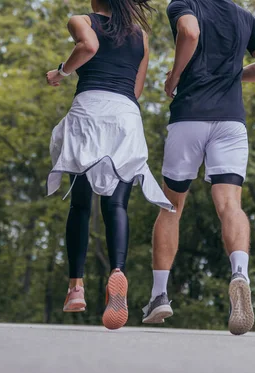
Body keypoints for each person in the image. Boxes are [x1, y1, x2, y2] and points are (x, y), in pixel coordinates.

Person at [141, 0, 255, 335]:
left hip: (190, 115)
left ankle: (159, 294)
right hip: (231, 122)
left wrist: (174, 76)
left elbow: (189, 31)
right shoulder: (245, 17)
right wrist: (233, 76)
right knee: (230, 204)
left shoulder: (184, 5)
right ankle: (239, 274)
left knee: (171, 205)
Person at [46, 0, 173, 330]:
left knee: (80, 204)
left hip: (89, 111)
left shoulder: (81, 20)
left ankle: (76, 287)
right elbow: (137, 90)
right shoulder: (140, 35)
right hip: (125, 116)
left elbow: (88, 46)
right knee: (116, 204)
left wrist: (61, 72)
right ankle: (118, 271)